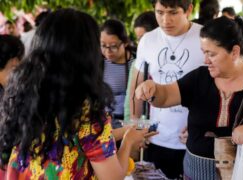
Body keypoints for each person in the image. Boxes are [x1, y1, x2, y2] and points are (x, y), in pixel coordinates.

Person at [135, 16, 243, 179]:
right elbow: (165, 97)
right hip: (196, 172)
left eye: (212, 54)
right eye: (204, 52)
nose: (206, 60)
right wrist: (152, 90)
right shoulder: (200, 77)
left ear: (234, 52)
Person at [0, 8, 155, 179]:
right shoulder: (84, 108)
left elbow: (78, 138)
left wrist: (125, 132)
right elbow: (112, 177)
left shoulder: (23, 95)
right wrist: (128, 143)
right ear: (86, 55)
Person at [129, 0, 205, 178]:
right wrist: (136, 126)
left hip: (193, 139)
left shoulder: (204, 37)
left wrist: (202, 123)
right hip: (157, 136)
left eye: (173, 13)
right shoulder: (148, 40)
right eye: (160, 12)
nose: (165, 20)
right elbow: (136, 88)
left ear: (189, 10)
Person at [101, 19, 136, 130]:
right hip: (104, 121)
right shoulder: (98, 62)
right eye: (103, 45)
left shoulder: (136, 61)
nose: (108, 51)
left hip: (131, 121)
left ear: (125, 43)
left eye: (113, 46)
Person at [123, 11, 159, 122]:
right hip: (144, 126)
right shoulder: (138, 63)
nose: (140, 43)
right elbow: (131, 97)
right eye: (138, 39)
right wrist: (130, 125)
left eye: (143, 38)